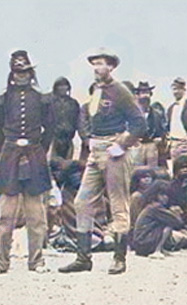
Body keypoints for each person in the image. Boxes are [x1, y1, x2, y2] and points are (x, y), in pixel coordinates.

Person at [59, 48, 146, 274]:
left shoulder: (121, 91)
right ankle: (83, 257)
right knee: (82, 201)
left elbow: (139, 124)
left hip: (114, 149)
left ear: (112, 67)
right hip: (95, 151)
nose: (98, 68)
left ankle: (119, 258)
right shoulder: (97, 90)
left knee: (118, 203)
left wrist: (122, 144)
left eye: (103, 64)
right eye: (95, 64)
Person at [0, 50, 55, 276]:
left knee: (36, 215)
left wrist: (38, 148)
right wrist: (7, 147)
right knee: (6, 215)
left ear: (31, 72)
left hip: (35, 154)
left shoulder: (41, 97)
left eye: (25, 71)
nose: (21, 75)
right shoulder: (3, 98)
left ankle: (36, 261)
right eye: (17, 71)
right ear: (12, 72)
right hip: (10, 155)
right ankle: (0, 263)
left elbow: (50, 127)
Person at [131, 180, 185, 258]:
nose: (165, 198)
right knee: (168, 225)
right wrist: (175, 213)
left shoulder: (150, 206)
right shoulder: (156, 207)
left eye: (167, 196)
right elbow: (177, 222)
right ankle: (157, 250)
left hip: (139, 243)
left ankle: (161, 249)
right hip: (144, 242)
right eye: (162, 195)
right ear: (156, 195)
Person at [128, 81, 167, 168]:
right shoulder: (131, 113)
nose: (145, 96)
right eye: (143, 93)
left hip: (151, 145)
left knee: (152, 171)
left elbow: (161, 131)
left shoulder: (156, 114)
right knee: (135, 170)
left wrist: (158, 139)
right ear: (137, 95)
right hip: (136, 145)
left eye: (147, 93)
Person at [48, 77, 83, 160]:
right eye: (60, 86)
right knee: (51, 162)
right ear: (55, 87)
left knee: (67, 163)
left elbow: (77, 120)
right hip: (53, 138)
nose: (63, 88)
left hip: (68, 138)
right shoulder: (49, 102)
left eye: (65, 85)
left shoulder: (73, 103)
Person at [166, 77, 187, 160]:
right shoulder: (171, 108)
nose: (176, 92)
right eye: (174, 89)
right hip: (174, 143)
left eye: (178, 89)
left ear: (184, 90)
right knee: (176, 168)